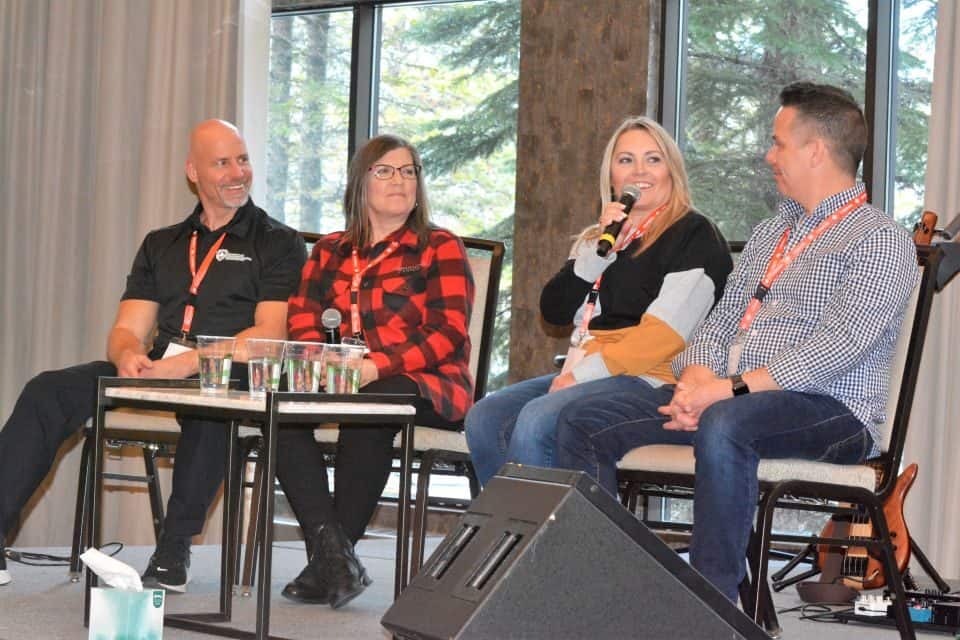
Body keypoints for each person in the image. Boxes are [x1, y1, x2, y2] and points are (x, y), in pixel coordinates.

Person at [552, 82, 920, 603]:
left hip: (832, 410)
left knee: (727, 424)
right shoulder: (772, 233)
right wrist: (696, 379)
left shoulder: (879, 237)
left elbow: (841, 344)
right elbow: (720, 322)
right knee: (582, 419)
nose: (769, 156)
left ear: (815, 151)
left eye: (778, 143)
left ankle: (713, 607)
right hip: (732, 396)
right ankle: (606, 593)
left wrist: (728, 391)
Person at [0, 119, 306, 590]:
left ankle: (173, 548)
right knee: (48, 389)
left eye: (242, 159)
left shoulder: (278, 241)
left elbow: (268, 335)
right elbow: (127, 328)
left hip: (226, 372)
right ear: (193, 172)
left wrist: (186, 364)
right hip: (157, 369)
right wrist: (127, 356)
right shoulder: (161, 243)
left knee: (212, 401)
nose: (236, 172)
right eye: (221, 162)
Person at [465, 116, 732, 487]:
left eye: (653, 159)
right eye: (626, 160)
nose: (640, 171)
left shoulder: (695, 234)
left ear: (672, 170)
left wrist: (578, 376)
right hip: (592, 370)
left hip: (654, 378)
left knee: (539, 418)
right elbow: (555, 310)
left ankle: (554, 540)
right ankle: (515, 535)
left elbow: (663, 337)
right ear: (610, 176)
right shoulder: (602, 239)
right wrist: (599, 250)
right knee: (487, 416)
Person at [275, 134, 475, 608]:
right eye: (385, 170)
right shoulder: (328, 251)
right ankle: (335, 559)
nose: (399, 180)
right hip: (343, 380)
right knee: (276, 407)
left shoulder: (439, 246)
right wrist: (318, 360)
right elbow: (302, 317)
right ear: (359, 182)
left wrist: (375, 366)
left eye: (408, 171)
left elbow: (449, 332)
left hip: (429, 383)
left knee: (373, 403)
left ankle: (328, 561)